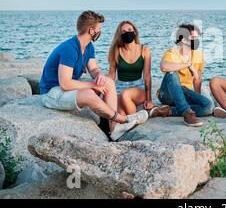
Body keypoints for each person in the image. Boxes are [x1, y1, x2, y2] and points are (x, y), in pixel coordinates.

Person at [39, 11, 148, 141]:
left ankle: (114, 129)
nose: (99, 31)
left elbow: (94, 68)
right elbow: (65, 83)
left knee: (107, 82)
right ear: (91, 31)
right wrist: (92, 85)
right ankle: (122, 119)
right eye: (99, 28)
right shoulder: (70, 48)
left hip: (65, 90)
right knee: (89, 94)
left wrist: (100, 76)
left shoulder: (88, 46)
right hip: (52, 93)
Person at [108, 21, 170, 127]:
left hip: (137, 87)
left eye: (129, 30)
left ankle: (136, 124)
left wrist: (149, 99)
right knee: (116, 118)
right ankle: (116, 139)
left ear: (135, 32)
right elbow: (112, 75)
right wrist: (103, 84)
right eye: (123, 31)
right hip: (120, 86)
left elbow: (147, 75)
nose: (127, 33)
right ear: (119, 34)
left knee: (125, 94)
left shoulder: (144, 50)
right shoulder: (116, 51)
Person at [158, 24, 213, 127]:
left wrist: (197, 97)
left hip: (184, 92)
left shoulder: (198, 54)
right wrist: (187, 64)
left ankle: (169, 111)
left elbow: (197, 79)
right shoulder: (172, 53)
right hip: (168, 94)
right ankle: (187, 113)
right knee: (172, 74)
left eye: (197, 38)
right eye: (193, 38)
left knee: (208, 106)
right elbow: (164, 66)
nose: (196, 40)